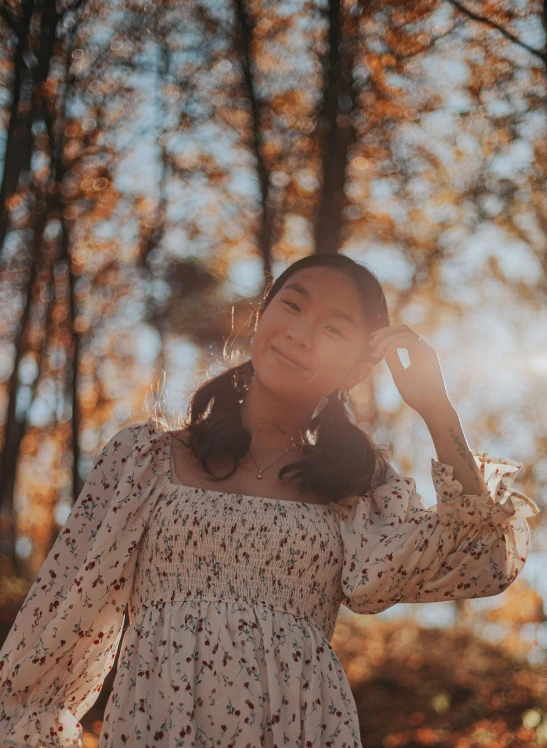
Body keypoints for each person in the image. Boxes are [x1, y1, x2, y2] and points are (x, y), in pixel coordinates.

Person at [0, 254, 540, 748]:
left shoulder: (358, 490)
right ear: (263, 316)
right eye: (292, 305)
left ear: (357, 369)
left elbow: (483, 558)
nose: (302, 334)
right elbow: (58, 624)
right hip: (157, 726)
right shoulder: (144, 459)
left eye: (333, 328)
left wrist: (436, 409)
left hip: (307, 727)